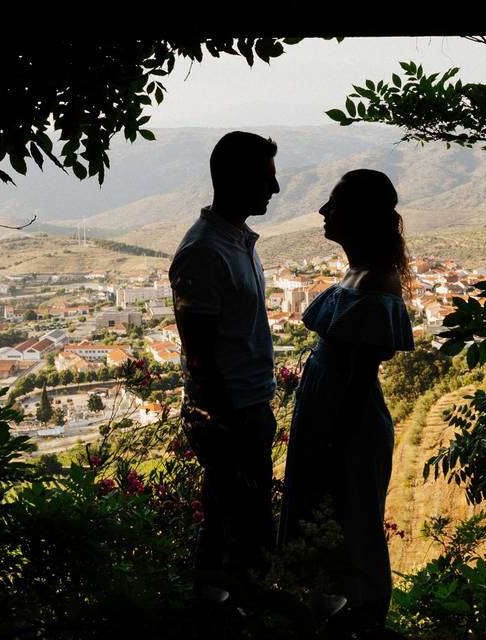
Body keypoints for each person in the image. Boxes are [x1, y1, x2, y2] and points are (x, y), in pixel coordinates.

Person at [277, 169, 414, 635]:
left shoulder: (376, 282)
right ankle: (328, 614)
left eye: (333, 203)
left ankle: (362, 618)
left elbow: (356, 373)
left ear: (357, 215)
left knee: (351, 517)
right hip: (329, 413)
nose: (321, 211)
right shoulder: (359, 273)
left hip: (346, 421)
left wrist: (326, 435)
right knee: (328, 515)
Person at [169, 131, 281, 600]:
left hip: (247, 407)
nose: (275, 189)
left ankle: (217, 612)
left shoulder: (237, 242)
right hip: (230, 414)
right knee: (240, 531)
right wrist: (227, 424)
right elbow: (199, 354)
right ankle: (224, 613)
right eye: (267, 178)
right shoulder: (204, 252)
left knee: (231, 520)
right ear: (237, 180)